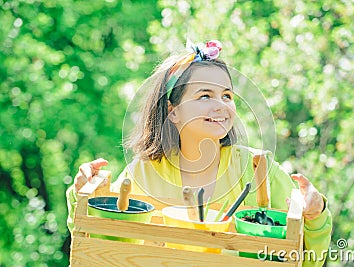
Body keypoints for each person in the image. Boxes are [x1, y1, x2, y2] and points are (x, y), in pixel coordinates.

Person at [66, 40, 332, 266]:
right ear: (173, 111)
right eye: (205, 95)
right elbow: (96, 248)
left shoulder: (258, 169)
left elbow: (309, 260)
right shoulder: (141, 174)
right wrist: (81, 195)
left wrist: (315, 214)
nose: (221, 105)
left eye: (227, 96)